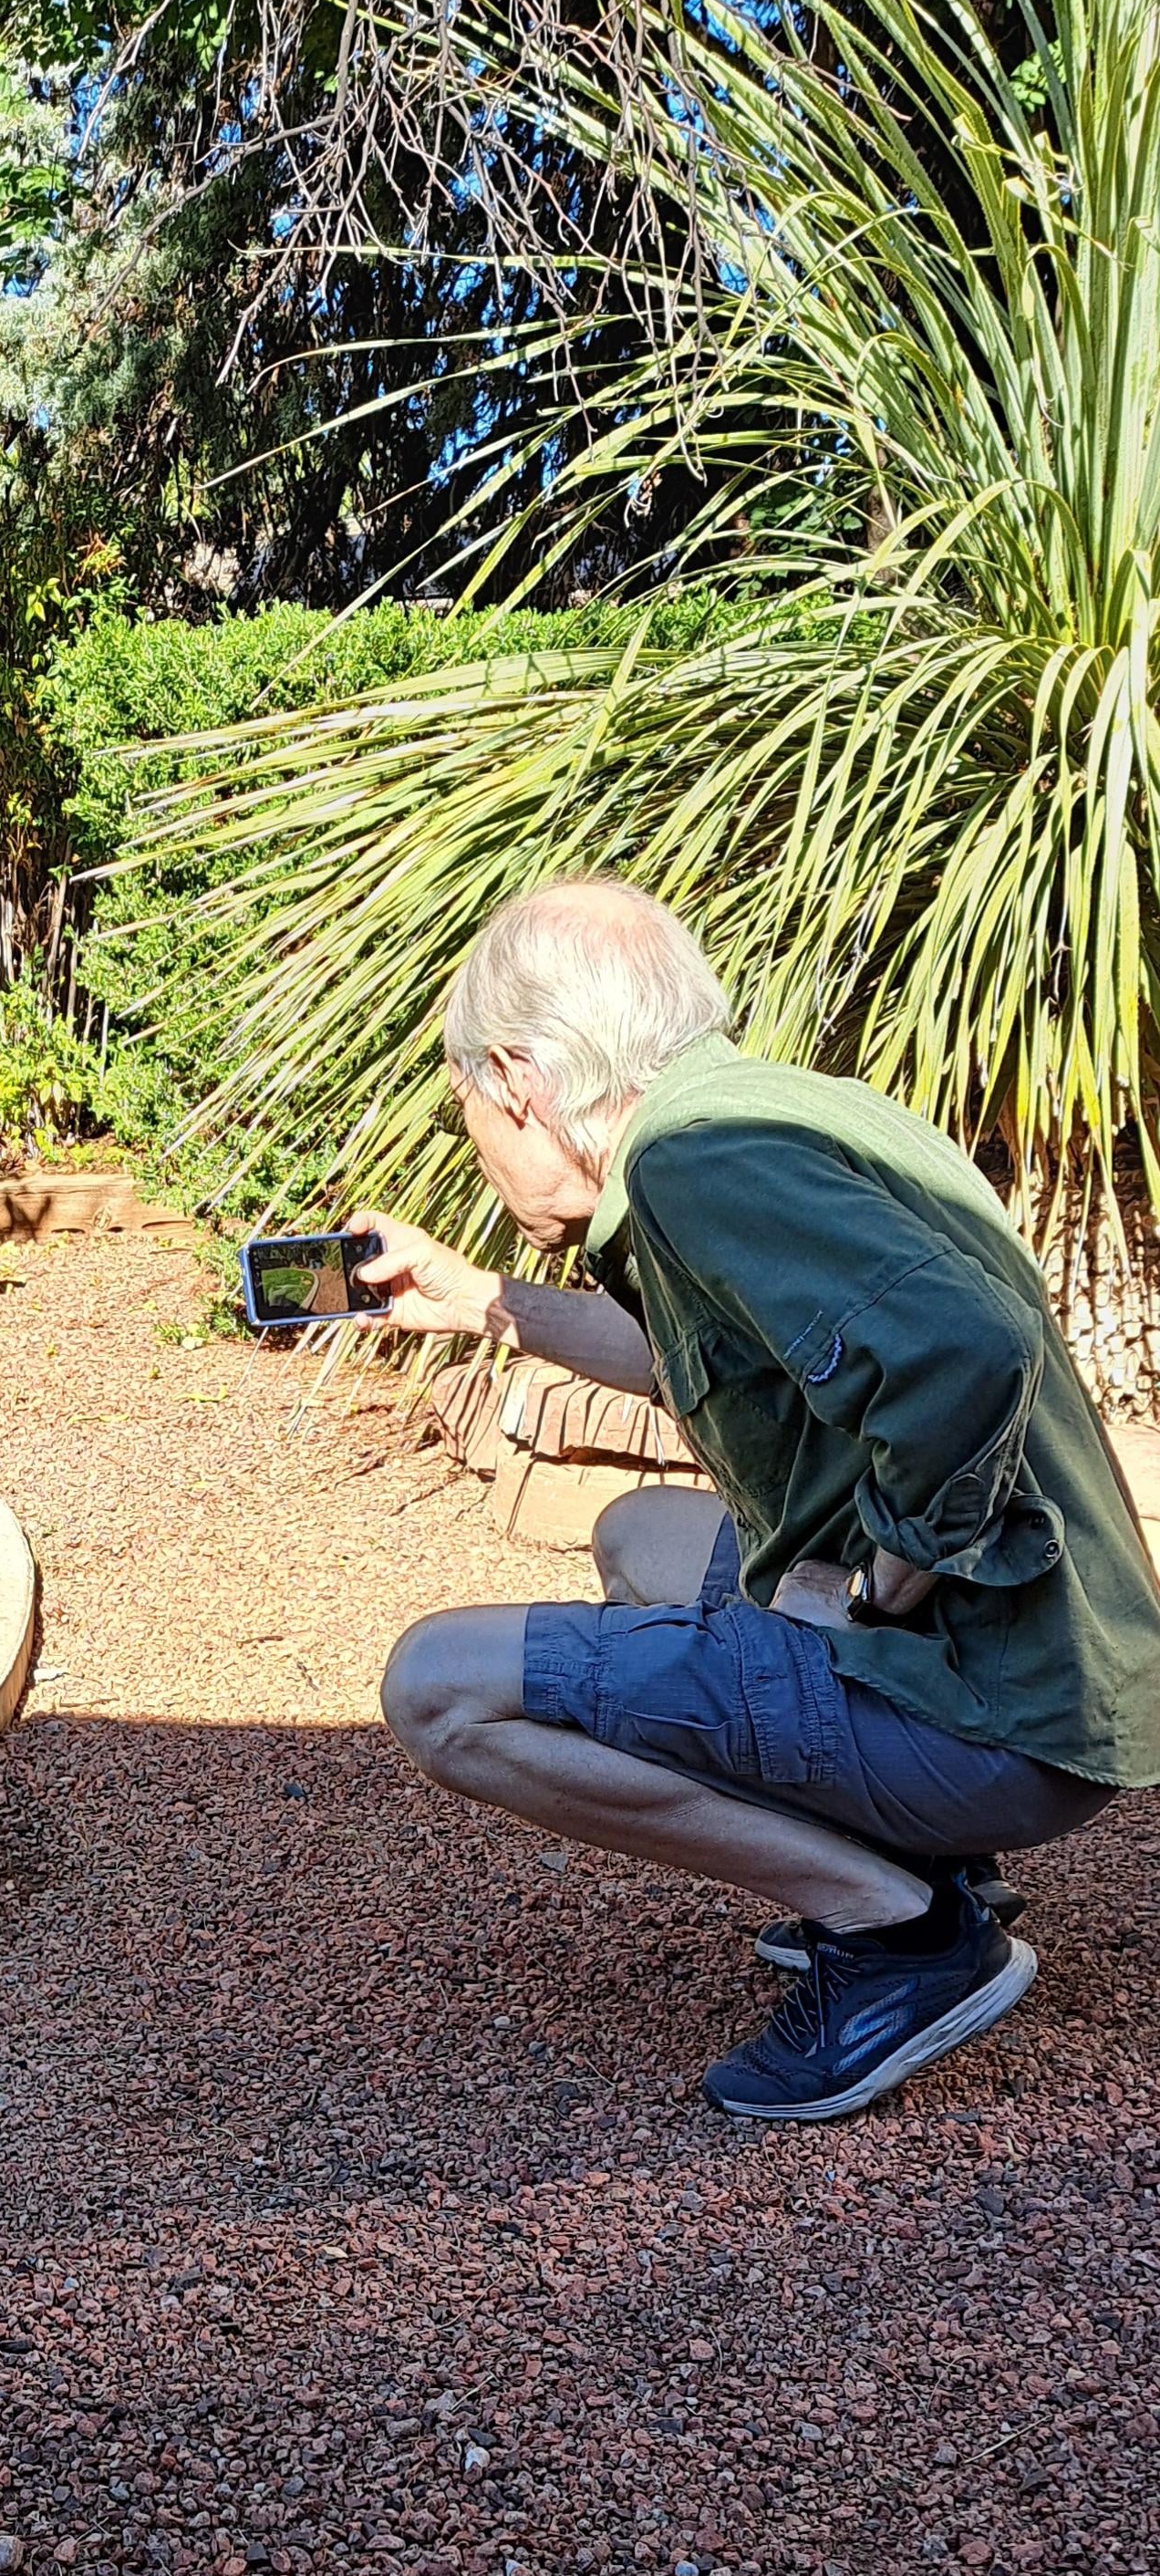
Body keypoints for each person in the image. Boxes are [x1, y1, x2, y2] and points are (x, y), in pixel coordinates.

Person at [353, 878, 1160, 2121]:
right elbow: (702, 1362)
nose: (480, 1139)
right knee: (635, 1534)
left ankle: (897, 1931)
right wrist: (479, 1300)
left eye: (470, 1110)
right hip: (1039, 1684)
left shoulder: (691, 1161)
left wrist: (886, 1580)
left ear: (518, 1079)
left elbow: (966, 1351)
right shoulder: (760, 1117)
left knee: (437, 1688)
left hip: (993, 1716)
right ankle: (920, 1856)